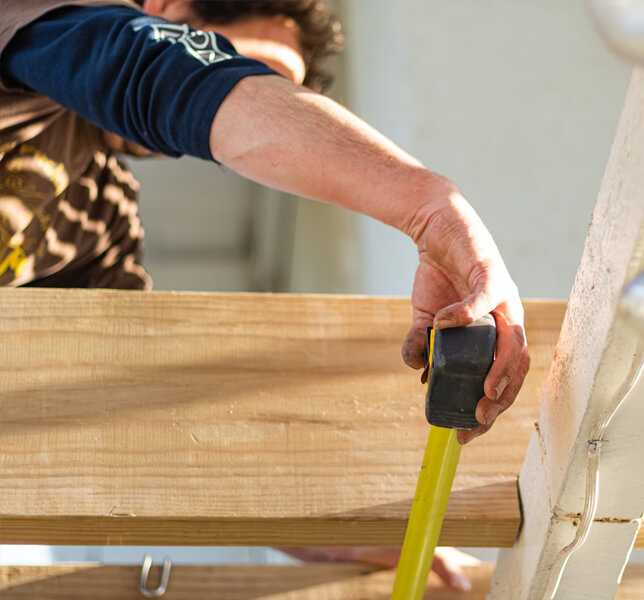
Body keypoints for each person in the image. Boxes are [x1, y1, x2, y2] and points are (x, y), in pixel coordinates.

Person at [0, 0, 530, 592]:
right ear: (166, 10)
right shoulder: (33, 20)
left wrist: (317, 527)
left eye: (277, 92)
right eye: (235, 64)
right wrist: (430, 208)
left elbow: (132, 409)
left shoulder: (97, 215)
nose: (255, 114)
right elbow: (158, 70)